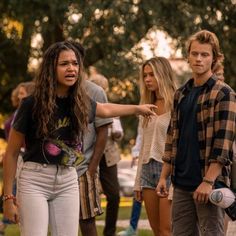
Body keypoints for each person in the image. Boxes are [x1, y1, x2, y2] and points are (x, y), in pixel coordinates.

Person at [2, 41, 156, 236]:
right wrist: (8, 197)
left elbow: (105, 109)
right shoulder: (31, 104)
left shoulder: (79, 101)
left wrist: (137, 109)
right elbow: (12, 152)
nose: (71, 68)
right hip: (35, 179)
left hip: (68, 178)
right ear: (51, 68)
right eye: (64, 64)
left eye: (75, 64)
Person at [156, 30, 236, 236]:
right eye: (195, 53)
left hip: (208, 184)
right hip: (181, 183)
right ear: (188, 56)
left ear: (214, 59)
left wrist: (208, 182)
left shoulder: (224, 94)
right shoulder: (180, 94)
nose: (199, 59)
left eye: (205, 54)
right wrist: (164, 177)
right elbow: (172, 137)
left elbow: (223, 144)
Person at [134, 57, 177, 236]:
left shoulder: (177, 103)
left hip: (168, 171)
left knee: (167, 231)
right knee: (156, 230)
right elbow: (142, 145)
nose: (147, 79)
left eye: (152, 75)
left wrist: (174, 181)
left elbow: (179, 144)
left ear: (163, 74)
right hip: (147, 170)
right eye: (145, 75)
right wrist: (137, 183)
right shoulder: (145, 107)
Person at [89, 71, 124, 236]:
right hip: (89, 157)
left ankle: (109, 232)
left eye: (103, 88)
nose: (101, 92)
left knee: (114, 196)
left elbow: (119, 135)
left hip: (109, 157)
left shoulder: (112, 109)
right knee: (89, 197)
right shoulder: (85, 107)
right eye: (98, 88)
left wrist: (116, 133)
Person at [118, 120, 143, 236]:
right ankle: (133, 228)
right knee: (137, 194)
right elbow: (141, 135)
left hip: (163, 160)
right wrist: (136, 153)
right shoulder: (144, 108)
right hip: (144, 159)